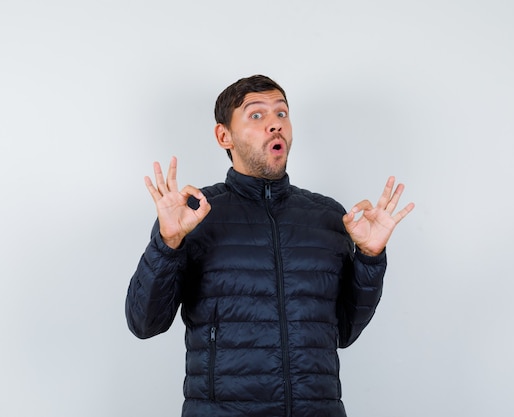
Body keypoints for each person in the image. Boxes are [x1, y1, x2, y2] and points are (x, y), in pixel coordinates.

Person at [125, 74, 414, 417]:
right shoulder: (195, 215)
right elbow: (145, 323)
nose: (275, 125)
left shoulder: (327, 217)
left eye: (282, 113)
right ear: (224, 136)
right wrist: (167, 243)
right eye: (257, 115)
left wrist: (370, 257)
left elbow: (344, 331)